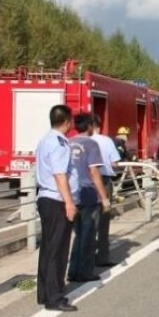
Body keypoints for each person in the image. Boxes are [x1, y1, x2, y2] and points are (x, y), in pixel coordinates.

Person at [34, 105, 79, 312]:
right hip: (56, 200)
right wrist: (69, 202)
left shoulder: (46, 140)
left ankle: (45, 293)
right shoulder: (59, 143)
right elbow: (60, 175)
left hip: (47, 198)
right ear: (67, 121)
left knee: (48, 249)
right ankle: (55, 297)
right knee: (57, 250)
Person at [67, 113, 111, 284]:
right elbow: (94, 172)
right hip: (88, 194)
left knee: (77, 234)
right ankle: (84, 271)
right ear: (90, 125)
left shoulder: (69, 143)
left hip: (73, 194)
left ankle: (73, 270)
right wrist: (104, 197)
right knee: (88, 234)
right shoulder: (91, 144)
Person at [91, 115, 121, 268]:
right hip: (103, 180)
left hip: (84, 183)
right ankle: (102, 257)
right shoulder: (106, 140)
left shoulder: (76, 141)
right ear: (98, 126)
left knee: (87, 221)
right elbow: (115, 163)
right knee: (103, 220)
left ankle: (84, 257)